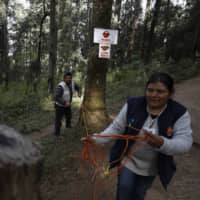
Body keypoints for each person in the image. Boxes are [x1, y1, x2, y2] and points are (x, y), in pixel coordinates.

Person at [81, 72, 193, 200]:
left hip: (152, 166)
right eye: (150, 90)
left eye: (160, 91)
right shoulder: (132, 104)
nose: (154, 95)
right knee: (124, 188)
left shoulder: (179, 113)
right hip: (129, 160)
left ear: (171, 93)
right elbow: (116, 128)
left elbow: (185, 142)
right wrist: (96, 139)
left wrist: (162, 143)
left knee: (139, 194)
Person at [54, 72, 81, 136]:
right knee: (58, 120)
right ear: (64, 78)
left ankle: (68, 125)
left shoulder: (72, 83)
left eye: (70, 78)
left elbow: (78, 87)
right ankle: (57, 133)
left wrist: (79, 92)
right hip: (59, 106)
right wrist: (64, 102)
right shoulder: (61, 86)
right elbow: (57, 97)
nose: (69, 79)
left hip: (67, 105)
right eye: (67, 78)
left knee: (69, 116)